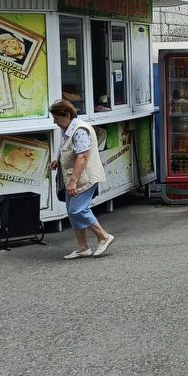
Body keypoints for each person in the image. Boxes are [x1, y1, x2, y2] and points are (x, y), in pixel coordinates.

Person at [48, 99, 114, 259]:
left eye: (56, 118)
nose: (54, 122)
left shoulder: (80, 130)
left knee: (77, 210)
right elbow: (72, 151)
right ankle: (83, 247)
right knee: (73, 213)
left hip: (84, 178)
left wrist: (73, 181)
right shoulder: (69, 128)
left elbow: (82, 156)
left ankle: (104, 237)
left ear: (67, 115)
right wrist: (59, 160)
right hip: (74, 177)